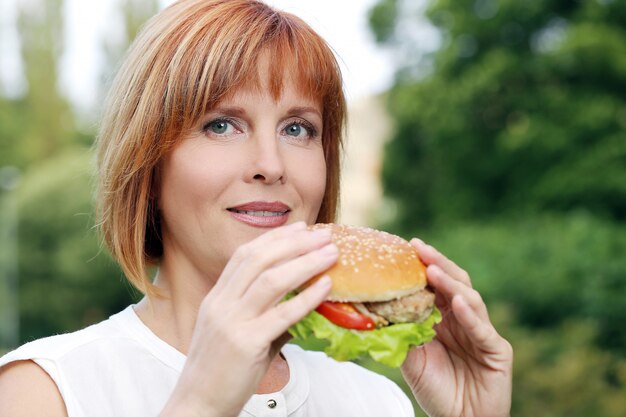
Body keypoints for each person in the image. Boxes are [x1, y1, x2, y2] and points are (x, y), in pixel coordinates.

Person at [0, 0, 513, 416]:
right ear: (148, 163)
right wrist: (200, 406)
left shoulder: (376, 401)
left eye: (298, 129)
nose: (271, 164)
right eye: (221, 124)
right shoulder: (46, 390)